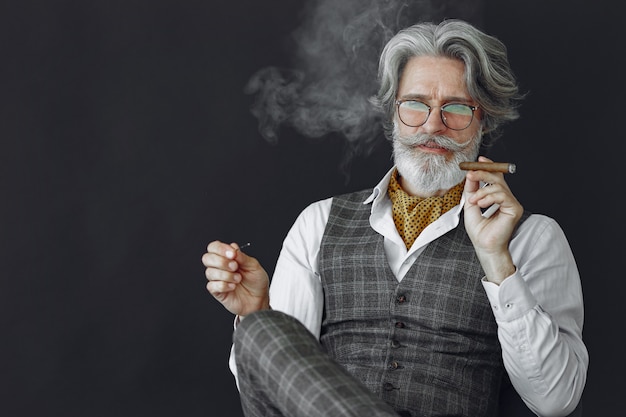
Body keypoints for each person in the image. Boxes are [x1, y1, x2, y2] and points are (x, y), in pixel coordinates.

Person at [202, 19, 588, 417]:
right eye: (415, 104)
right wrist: (256, 311)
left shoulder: (532, 238)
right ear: (393, 115)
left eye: (456, 108)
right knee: (260, 329)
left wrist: (497, 260)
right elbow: (274, 388)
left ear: (483, 120)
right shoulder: (318, 222)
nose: (432, 125)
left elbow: (555, 399)